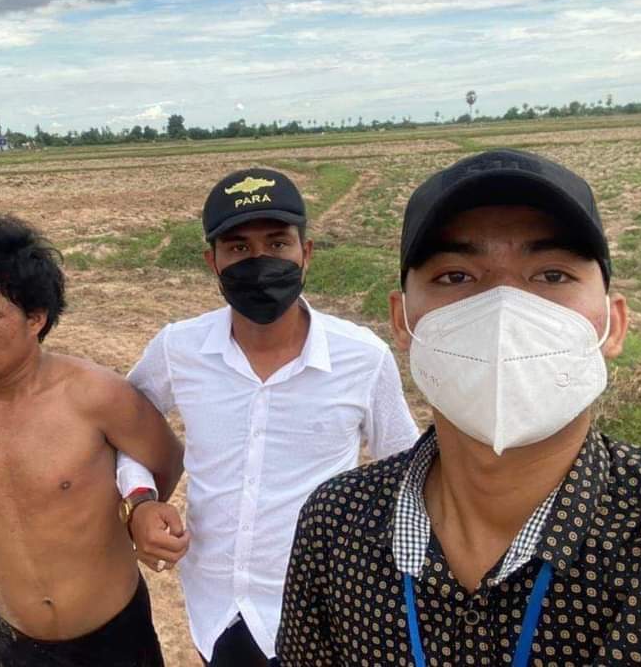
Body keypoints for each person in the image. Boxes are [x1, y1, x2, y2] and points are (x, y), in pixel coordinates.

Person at [277, 149, 641, 666]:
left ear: (613, 325)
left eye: (551, 275)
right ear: (402, 322)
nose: (504, 309)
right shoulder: (334, 526)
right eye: (456, 276)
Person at [115, 168, 421, 666]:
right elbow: (124, 429)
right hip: (215, 604)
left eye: (277, 244)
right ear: (212, 262)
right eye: (238, 248)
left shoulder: (362, 357)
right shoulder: (178, 348)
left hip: (321, 607)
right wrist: (141, 502)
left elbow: (406, 468)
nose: (260, 261)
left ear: (306, 253)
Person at [0, 213, 184, 667]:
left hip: (113, 637)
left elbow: (166, 461)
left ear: (36, 318)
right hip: (12, 641)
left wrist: (138, 509)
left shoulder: (99, 395)